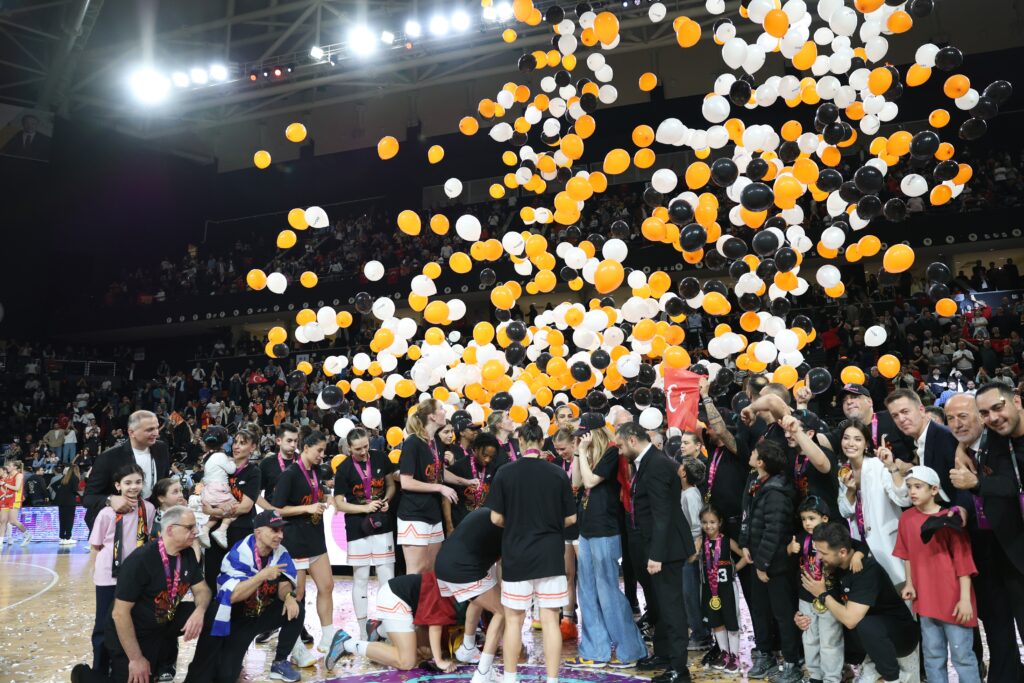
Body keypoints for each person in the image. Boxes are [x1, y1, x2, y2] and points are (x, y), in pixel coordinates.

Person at [71, 506, 212, 683]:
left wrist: (199, 611)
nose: (195, 532)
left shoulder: (188, 553)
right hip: (131, 632)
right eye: (190, 527)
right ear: (170, 529)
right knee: (138, 675)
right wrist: (136, 659)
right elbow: (120, 614)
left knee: (213, 612)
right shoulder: (141, 561)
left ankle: (199, 677)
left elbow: (203, 590)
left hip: (162, 623)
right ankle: (83, 676)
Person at [488, 416, 577, 683]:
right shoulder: (558, 472)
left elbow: (495, 518)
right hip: (550, 553)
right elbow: (571, 519)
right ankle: (552, 680)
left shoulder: (505, 472)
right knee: (550, 620)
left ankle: (511, 678)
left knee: (514, 620)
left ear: (521, 441)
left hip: (516, 553)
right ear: (541, 442)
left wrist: (516, 523)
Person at [944, 392, 1023, 681]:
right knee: (997, 624)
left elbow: (1011, 485)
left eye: (963, 416)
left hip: (1014, 548)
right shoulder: (960, 448)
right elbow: (963, 494)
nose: (957, 424)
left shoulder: (1004, 441)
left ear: (981, 417)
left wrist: (977, 481)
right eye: (951, 419)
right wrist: (961, 509)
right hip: (984, 552)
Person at [184, 510, 303, 683]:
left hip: (263, 613)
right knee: (226, 676)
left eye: (281, 531)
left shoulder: (280, 552)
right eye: (275, 530)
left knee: (297, 608)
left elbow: (284, 583)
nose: (280, 536)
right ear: (258, 532)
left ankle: (280, 662)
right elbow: (233, 596)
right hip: (240, 619)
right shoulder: (239, 554)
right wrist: (261, 576)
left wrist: (289, 597)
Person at [617, 421, 694, 683]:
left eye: (620, 445)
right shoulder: (647, 462)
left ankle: (679, 668)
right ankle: (663, 654)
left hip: (666, 549)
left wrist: (657, 555)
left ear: (631, 440)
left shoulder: (658, 464)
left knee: (671, 608)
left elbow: (664, 514)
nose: (619, 451)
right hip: (652, 543)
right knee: (659, 604)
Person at [567, 423, 647, 669]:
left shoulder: (612, 452)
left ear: (595, 434)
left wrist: (583, 451)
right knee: (587, 592)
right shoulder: (588, 455)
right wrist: (580, 453)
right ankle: (595, 651)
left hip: (605, 531)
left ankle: (630, 650)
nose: (581, 439)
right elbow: (578, 483)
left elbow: (590, 482)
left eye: (584, 434)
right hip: (588, 530)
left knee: (608, 592)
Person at [893, 466, 981, 683]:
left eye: (918, 487)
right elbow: (908, 556)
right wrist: (910, 584)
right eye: (909, 487)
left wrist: (964, 600)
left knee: (963, 657)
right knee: (933, 655)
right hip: (925, 600)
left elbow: (963, 563)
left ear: (934, 490)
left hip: (953, 600)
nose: (912, 491)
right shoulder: (906, 519)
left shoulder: (950, 519)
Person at [800, 523, 918, 683]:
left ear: (842, 552)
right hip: (870, 633)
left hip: (901, 636)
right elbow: (854, 543)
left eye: (823, 553)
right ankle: (867, 667)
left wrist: (822, 594)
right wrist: (802, 616)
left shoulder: (866, 571)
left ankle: (892, 678)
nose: (819, 557)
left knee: (861, 623)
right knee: (835, 619)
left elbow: (850, 620)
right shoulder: (837, 561)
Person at [88, 464, 156, 677]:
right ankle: (99, 669)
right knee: (103, 625)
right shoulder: (107, 513)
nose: (133, 487)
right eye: (127, 483)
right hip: (109, 574)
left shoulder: (149, 509)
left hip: (137, 575)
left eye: (137, 482)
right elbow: (96, 545)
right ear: (118, 486)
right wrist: (94, 571)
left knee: (132, 623)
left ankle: (125, 667)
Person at [743, 439, 802, 683]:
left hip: (774, 565)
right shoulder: (755, 482)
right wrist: (745, 542)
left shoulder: (777, 491)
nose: (751, 452)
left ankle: (791, 662)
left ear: (761, 462)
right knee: (759, 611)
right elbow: (748, 514)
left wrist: (763, 564)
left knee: (782, 614)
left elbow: (775, 531)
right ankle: (765, 653)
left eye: (754, 451)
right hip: (758, 561)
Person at [271, 427, 333, 660]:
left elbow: (315, 493)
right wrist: (306, 508)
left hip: (316, 537)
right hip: (294, 540)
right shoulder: (289, 474)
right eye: (319, 450)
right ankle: (294, 645)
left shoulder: (316, 471)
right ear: (305, 448)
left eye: (324, 451)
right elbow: (278, 508)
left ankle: (327, 636)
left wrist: (322, 499)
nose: (321, 455)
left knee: (327, 586)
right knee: (298, 595)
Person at [332, 427, 397, 641]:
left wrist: (386, 500)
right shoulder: (343, 468)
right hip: (356, 528)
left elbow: (390, 485)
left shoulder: (380, 457)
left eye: (366, 447)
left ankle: (387, 627)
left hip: (383, 525)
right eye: (358, 449)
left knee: (386, 576)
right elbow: (339, 504)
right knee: (360, 577)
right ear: (349, 448)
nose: (363, 452)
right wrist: (364, 509)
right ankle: (362, 629)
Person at [324, 572, 458, 673]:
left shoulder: (457, 580)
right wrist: (439, 661)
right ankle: (346, 643)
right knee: (406, 661)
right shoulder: (451, 585)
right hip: (395, 599)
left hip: (402, 598)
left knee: (426, 653)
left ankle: (378, 630)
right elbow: (435, 626)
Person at [433, 507, 506, 683]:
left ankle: (467, 647)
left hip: (443, 564)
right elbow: (503, 565)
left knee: (481, 597)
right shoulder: (506, 520)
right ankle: (483, 673)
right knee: (503, 610)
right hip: (462, 569)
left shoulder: (486, 512)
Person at [837, 419, 910, 586]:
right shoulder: (843, 469)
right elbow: (845, 512)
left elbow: (903, 499)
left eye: (857, 439)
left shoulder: (878, 466)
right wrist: (850, 490)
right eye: (846, 438)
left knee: (901, 594)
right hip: (861, 545)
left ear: (866, 443)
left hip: (888, 541)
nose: (850, 443)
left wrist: (892, 467)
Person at [397, 399, 458, 573]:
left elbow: (439, 473)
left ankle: (427, 602)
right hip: (414, 514)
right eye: (441, 409)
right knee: (416, 571)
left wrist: (464, 482)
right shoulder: (412, 443)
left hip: (433, 511)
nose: (445, 411)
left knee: (431, 569)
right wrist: (440, 487)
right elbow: (406, 481)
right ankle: (411, 601)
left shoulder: (435, 443)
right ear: (431, 416)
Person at [788, 497, 844, 683]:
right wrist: (790, 549)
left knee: (830, 641)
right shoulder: (800, 538)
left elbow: (853, 547)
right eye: (804, 519)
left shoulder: (834, 538)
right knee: (809, 639)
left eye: (812, 518)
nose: (807, 523)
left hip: (829, 597)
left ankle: (832, 678)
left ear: (825, 519)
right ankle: (815, 676)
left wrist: (859, 555)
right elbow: (790, 563)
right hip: (806, 597)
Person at [83, 411, 170, 530]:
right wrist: (111, 500)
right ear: (131, 432)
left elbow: (162, 483)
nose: (156, 433)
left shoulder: (162, 449)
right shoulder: (109, 457)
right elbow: (88, 498)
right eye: (150, 430)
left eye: (156, 428)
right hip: (114, 527)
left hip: (148, 522)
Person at [885, 388, 963, 506]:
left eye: (905, 411)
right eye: (895, 415)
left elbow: (963, 486)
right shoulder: (918, 441)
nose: (901, 419)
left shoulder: (945, 437)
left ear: (921, 410)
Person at [697, 505, 746, 675]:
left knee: (731, 621)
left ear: (720, 523)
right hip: (709, 591)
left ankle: (735, 656)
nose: (708, 526)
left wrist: (734, 569)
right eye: (704, 522)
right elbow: (690, 558)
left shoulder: (727, 541)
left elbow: (746, 557)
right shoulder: (701, 543)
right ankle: (724, 653)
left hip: (727, 589)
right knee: (716, 622)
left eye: (712, 522)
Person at [677, 457, 712, 652]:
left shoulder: (690, 495)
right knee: (687, 593)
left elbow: (697, 527)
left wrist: (694, 552)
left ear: (683, 473)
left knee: (691, 594)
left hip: (690, 551)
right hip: (686, 549)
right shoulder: (686, 492)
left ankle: (701, 634)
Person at [831, 384, 915, 462]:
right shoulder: (845, 430)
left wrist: (909, 466)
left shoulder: (893, 418)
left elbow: (919, 449)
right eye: (844, 400)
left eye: (854, 397)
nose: (848, 402)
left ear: (869, 401)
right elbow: (822, 440)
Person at [446, 431, 503, 528]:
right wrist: (449, 525)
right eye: (484, 455)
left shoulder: (493, 469)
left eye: (491, 457)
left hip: (483, 523)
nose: (487, 460)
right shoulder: (460, 466)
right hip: (461, 524)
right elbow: (446, 498)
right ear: (475, 449)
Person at [257, 423, 299, 514]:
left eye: (296, 441)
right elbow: (256, 493)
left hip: (298, 518)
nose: (293, 445)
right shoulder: (266, 463)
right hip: (273, 520)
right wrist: (271, 510)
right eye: (289, 440)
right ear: (278, 441)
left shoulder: (302, 461)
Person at [202, 443, 237, 549]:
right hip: (218, 488)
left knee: (218, 512)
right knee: (233, 507)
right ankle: (221, 530)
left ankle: (205, 529)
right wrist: (232, 461)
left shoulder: (207, 457)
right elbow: (231, 470)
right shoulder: (220, 456)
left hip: (208, 490)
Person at [0, 460, 30, 546]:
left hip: (15, 499)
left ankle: (27, 534)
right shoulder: (8, 476)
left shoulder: (19, 475)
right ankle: (1, 542)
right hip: (7, 499)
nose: (7, 467)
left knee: (13, 521)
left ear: (15, 467)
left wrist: (4, 484)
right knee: (2, 521)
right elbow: (5, 490)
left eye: (9, 466)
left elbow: (17, 488)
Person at [56, 463, 82, 546]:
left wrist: (61, 493)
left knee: (62, 520)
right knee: (69, 520)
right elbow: (75, 490)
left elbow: (53, 485)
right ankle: (68, 538)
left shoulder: (65, 477)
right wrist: (81, 494)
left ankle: (62, 538)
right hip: (70, 502)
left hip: (61, 502)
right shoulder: (75, 478)